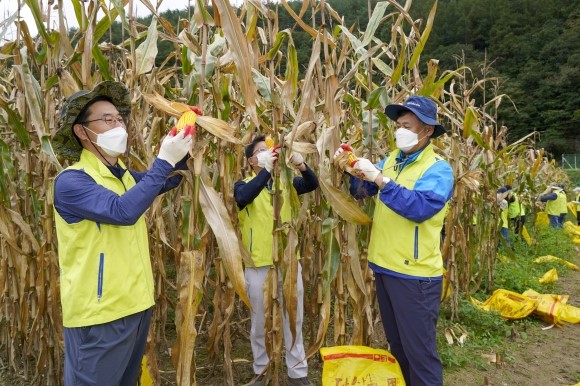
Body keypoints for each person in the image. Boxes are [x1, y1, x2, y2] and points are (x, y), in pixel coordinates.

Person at [52, 81, 194, 385]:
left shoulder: (124, 176)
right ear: (81, 131)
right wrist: (164, 160)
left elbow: (167, 178)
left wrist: (182, 142)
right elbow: (123, 212)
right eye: (107, 119)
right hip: (100, 314)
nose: (118, 125)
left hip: (136, 305)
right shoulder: (72, 181)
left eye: (119, 119)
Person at [334, 95, 454, 386]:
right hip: (385, 269)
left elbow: (418, 208)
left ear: (427, 130)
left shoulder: (438, 170)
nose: (399, 130)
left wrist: (380, 179)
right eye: (398, 125)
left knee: (420, 354)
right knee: (398, 347)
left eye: (407, 125)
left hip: (415, 277)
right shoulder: (391, 161)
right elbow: (361, 192)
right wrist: (350, 167)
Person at [234, 135, 318, 386]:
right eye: (261, 151)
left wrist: (302, 166)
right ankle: (261, 371)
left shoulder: (286, 185)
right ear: (251, 160)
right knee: (259, 323)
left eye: (270, 149)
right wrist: (266, 171)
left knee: (294, 318)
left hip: (288, 262)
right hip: (258, 265)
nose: (268, 152)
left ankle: (297, 372)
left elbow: (311, 184)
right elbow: (244, 198)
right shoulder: (243, 184)